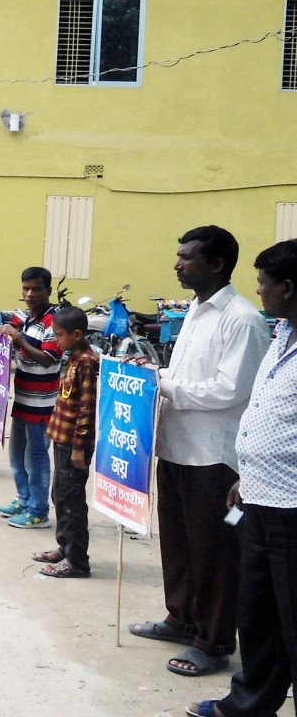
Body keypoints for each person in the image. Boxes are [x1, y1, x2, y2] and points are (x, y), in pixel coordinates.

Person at [129, 225, 270, 677]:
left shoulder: (242, 319)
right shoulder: (194, 310)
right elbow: (187, 370)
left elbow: (231, 389)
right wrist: (155, 372)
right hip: (175, 446)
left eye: (186, 257)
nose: (177, 263)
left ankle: (212, 642)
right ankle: (181, 618)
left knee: (214, 552)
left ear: (216, 264)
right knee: (178, 542)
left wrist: (164, 385)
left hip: (213, 456)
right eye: (178, 255)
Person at [185, 240, 297, 717]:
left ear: (288, 288)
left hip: (292, 505)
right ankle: (248, 704)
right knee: (259, 613)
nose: (259, 291)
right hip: (258, 493)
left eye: (264, 284)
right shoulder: (283, 333)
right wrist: (246, 473)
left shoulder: (250, 322)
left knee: (292, 618)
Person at [30, 305, 99, 578]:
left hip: (74, 444)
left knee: (71, 500)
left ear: (77, 334)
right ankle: (64, 547)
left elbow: (87, 407)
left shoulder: (87, 362)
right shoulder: (72, 358)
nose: (56, 340)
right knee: (59, 494)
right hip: (61, 439)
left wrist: (80, 445)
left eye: (59, 335)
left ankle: (77, 560)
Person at [0, 267, 63, 529]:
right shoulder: (22, 317)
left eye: (36, 289)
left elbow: (48, 359)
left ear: (48, 290)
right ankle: (23, 498)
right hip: (22, 397)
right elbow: (9, 340)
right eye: (26, 288)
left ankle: (38, 510)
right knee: (16, 453)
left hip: (42, 402)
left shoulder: (54, 322)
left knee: (36, 456)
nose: (30, 294)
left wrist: (19, 340)